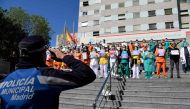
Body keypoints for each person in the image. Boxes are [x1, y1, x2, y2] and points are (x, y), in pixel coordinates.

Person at [0, 35, 96, 109]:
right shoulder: (45, 76)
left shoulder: (4, 81)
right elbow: (87, 74)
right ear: (42, 54)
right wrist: (64, 57)